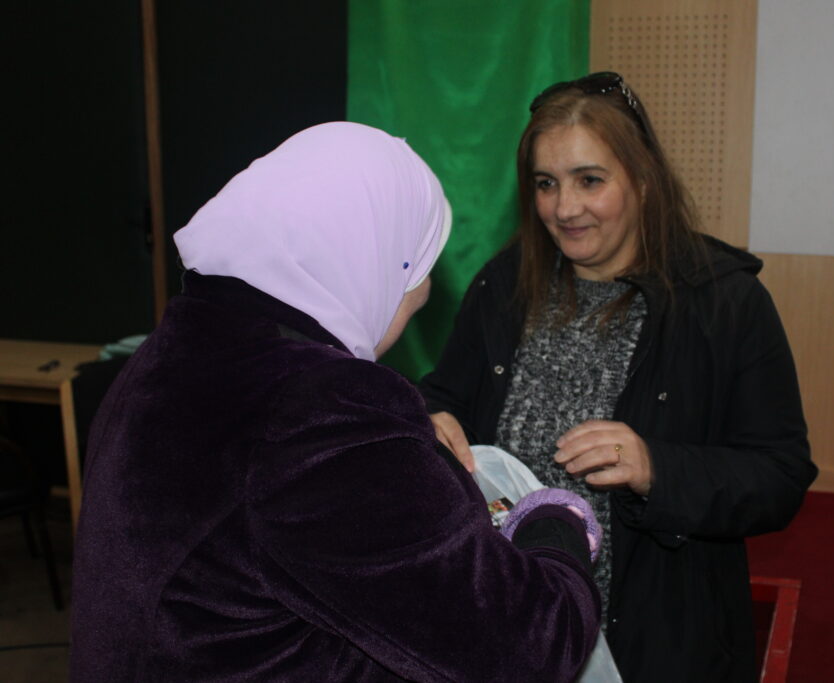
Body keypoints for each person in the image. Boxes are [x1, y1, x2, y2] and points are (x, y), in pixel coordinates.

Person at [70, 122, 603, 682]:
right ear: (377, 260)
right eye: (418, 273)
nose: (420, 294)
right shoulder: (323, 411)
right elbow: (529, 649)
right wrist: (552, 521)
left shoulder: (175, 348)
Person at [420, 73, 818, 682]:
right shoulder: (502, 285)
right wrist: (429, 416)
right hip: (516, 625)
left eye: (590, 180)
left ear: (643, 179)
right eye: (546, 183)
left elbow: (780, 476)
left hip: (657, 639)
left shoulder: (724, 302)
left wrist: (657, 467)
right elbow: (447, 397)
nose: (564, 208)